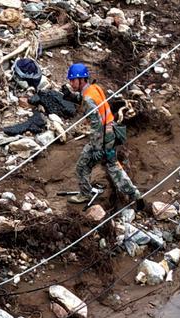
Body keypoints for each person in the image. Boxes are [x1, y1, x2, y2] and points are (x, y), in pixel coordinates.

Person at [62, 63, 144, 209]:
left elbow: (96, 125)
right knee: (113, 166)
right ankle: (133, 193)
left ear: (81, 80)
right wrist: (72, 97)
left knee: (82, 166)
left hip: (102, 137)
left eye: (73, 80)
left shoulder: (88, 99)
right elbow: (91, 102)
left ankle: (85, 193)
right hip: (111, 133)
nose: (71, 83)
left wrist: (97, 148)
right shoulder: (95, 88)